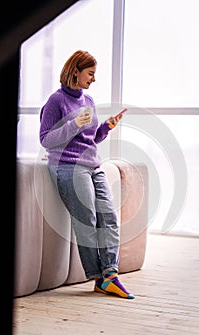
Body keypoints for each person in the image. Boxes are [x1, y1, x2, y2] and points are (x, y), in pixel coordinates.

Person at [39, 49, 135, 299]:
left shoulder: (88, 101)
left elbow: (90, 138)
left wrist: (105, 128)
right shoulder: (56, 101)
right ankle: (98, 276)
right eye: (90, 74)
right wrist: (74, 124)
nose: (93, 79)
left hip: (93, 165)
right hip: (68, 167)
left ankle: (111, 274)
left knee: (109, 217)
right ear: (75, 72)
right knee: (87, 218)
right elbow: (46, 140)